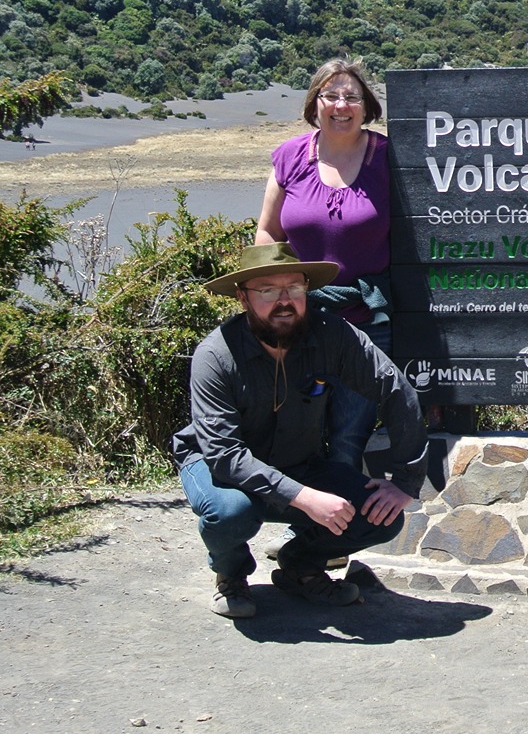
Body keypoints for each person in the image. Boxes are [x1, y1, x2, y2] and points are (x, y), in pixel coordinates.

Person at [172, 243, 428, 618]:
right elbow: (225, 456)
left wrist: (406, 482)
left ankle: (301, 565)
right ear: (242, 298)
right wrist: (304, 497)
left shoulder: (332, 334)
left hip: (298, 461)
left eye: (294, 287)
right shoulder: (216, 355)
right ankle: (231, 573)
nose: (284, 300)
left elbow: (394, 389)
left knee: (381, 516)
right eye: (267, 290)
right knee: (230, 514)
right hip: (219, 468)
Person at [256, 59, 391, 475]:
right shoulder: (290, 156)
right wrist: (267, 296)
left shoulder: (388, 158)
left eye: (351, 96)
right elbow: (267, 233)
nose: (340, 105)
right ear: (314, 105)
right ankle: (308, 526)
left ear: (366, 107)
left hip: (368, 317)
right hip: (301, 314)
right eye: (329, 95)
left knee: (351, 435)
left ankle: (335, 533)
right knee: (299, 429)